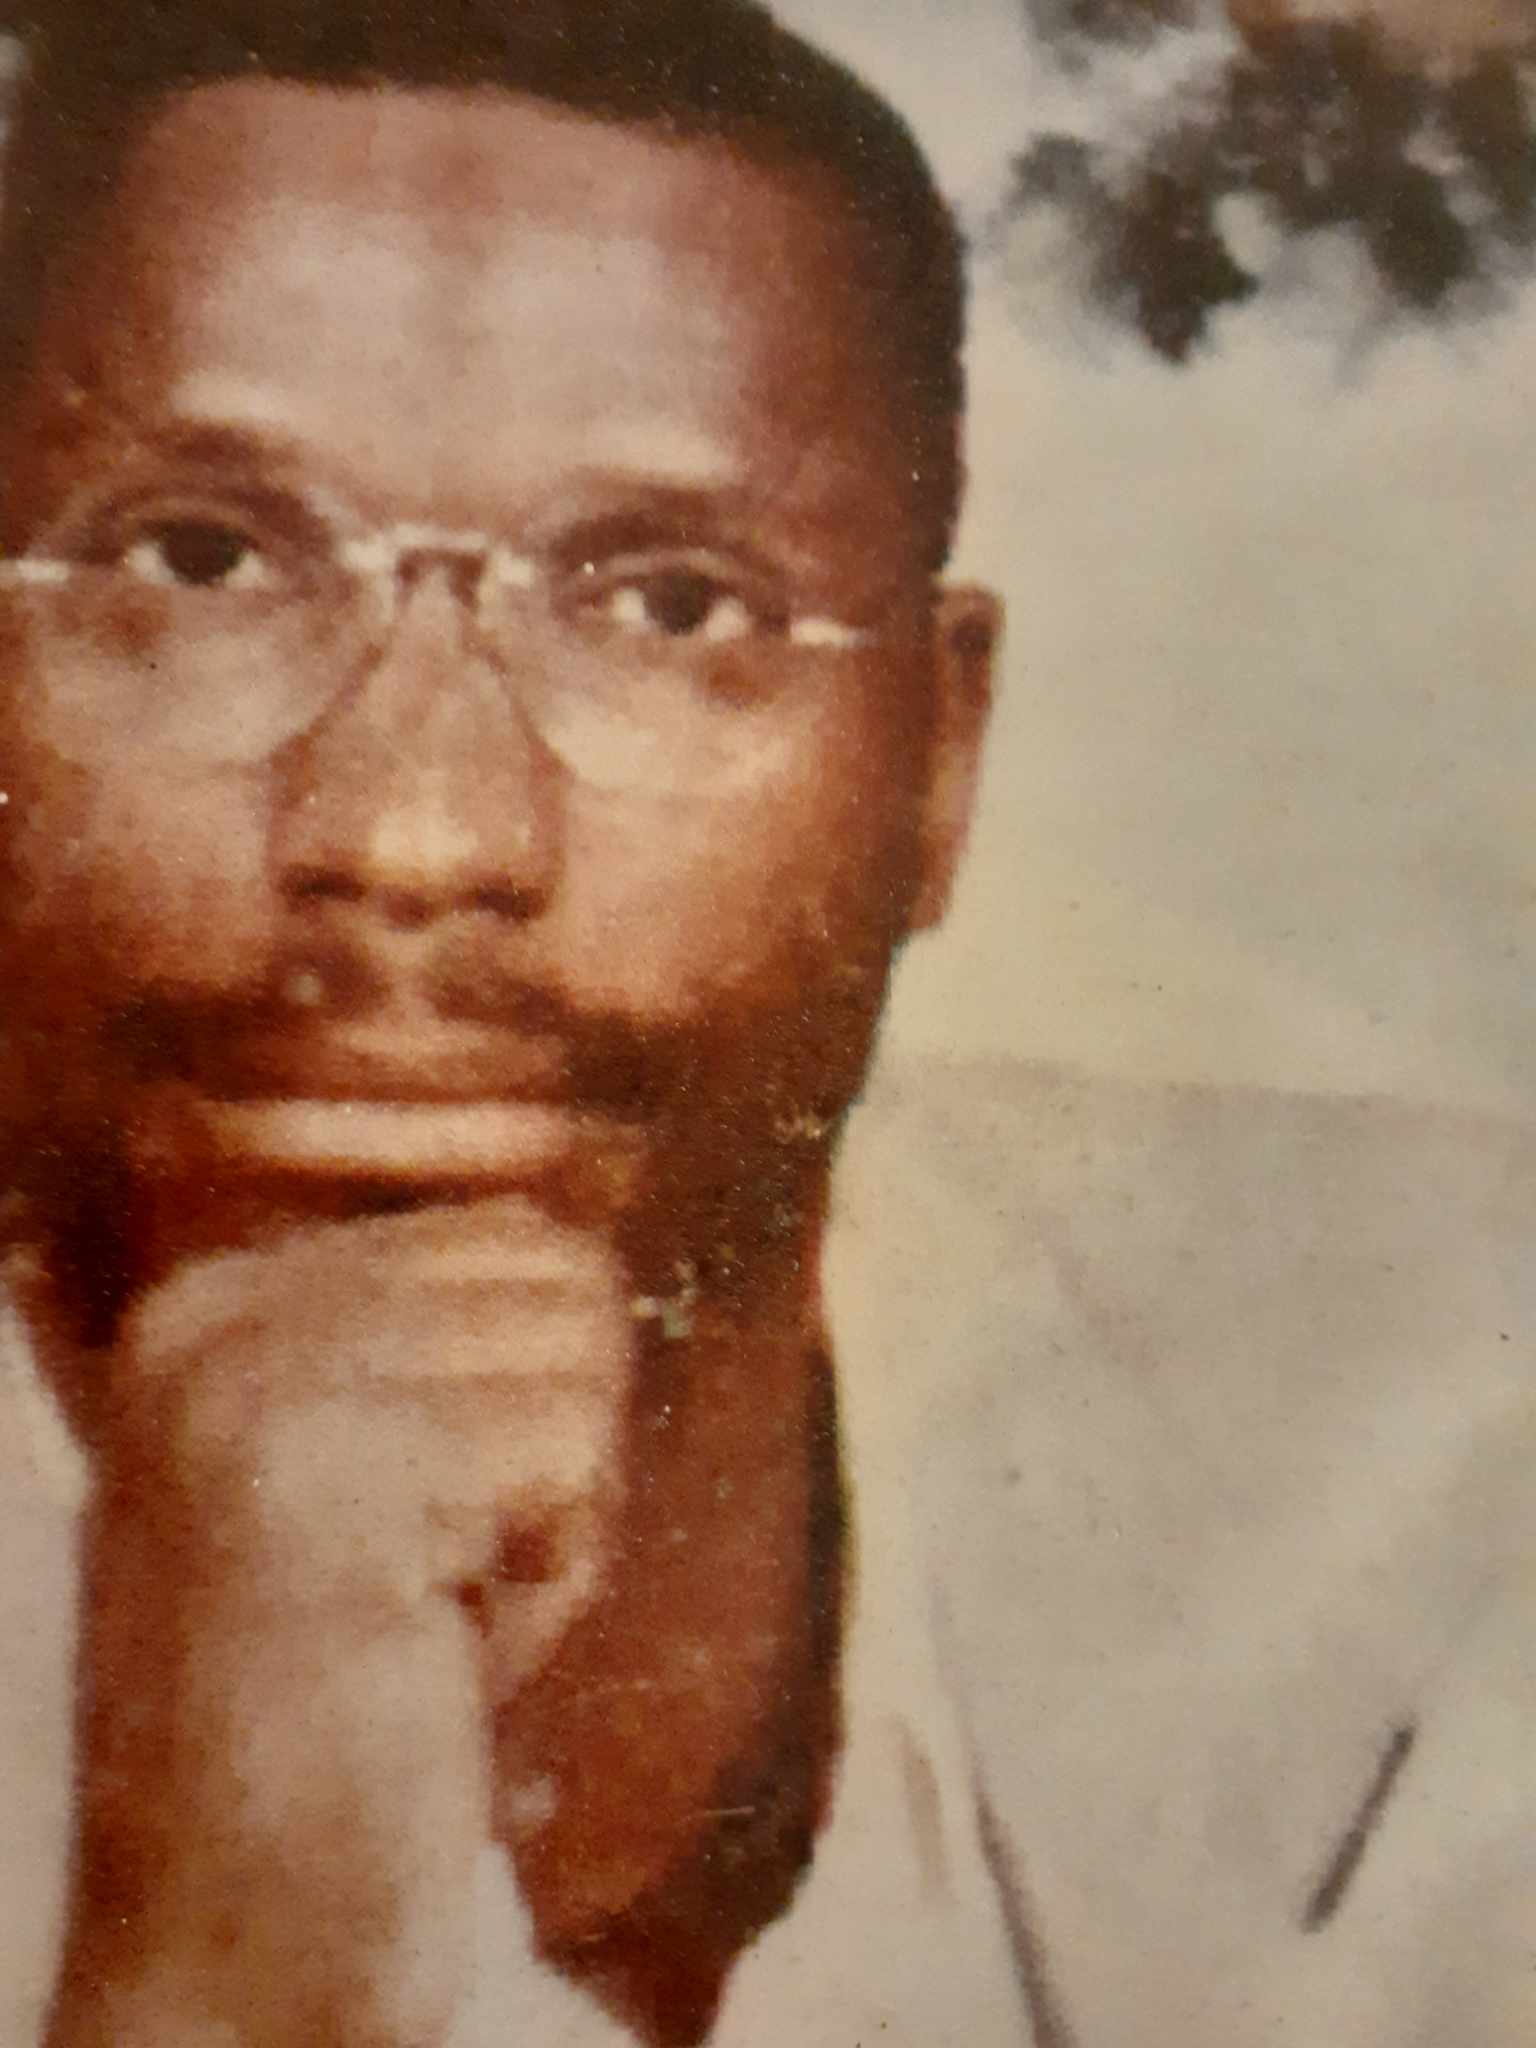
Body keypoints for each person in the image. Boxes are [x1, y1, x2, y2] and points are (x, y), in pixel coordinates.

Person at [0, 3, 1020, 2043]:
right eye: (202, 561)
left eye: (671, 604)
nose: (411, 840)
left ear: (939, 757)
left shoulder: (1432, 1474)